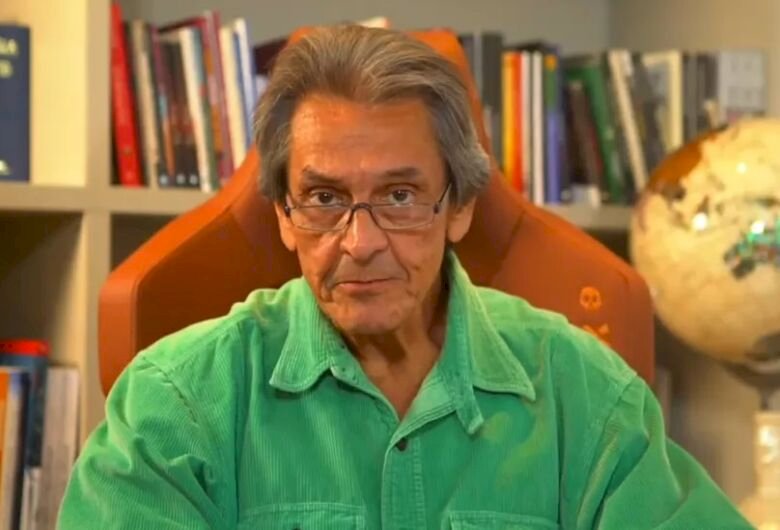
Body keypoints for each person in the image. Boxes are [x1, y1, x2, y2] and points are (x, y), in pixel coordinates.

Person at [59, 25, 752, 529]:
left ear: (460, 207)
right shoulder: (175, 402)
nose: (360, 243)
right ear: (283, 216)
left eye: (399, 196)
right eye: (324, 198)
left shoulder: (585, 394)